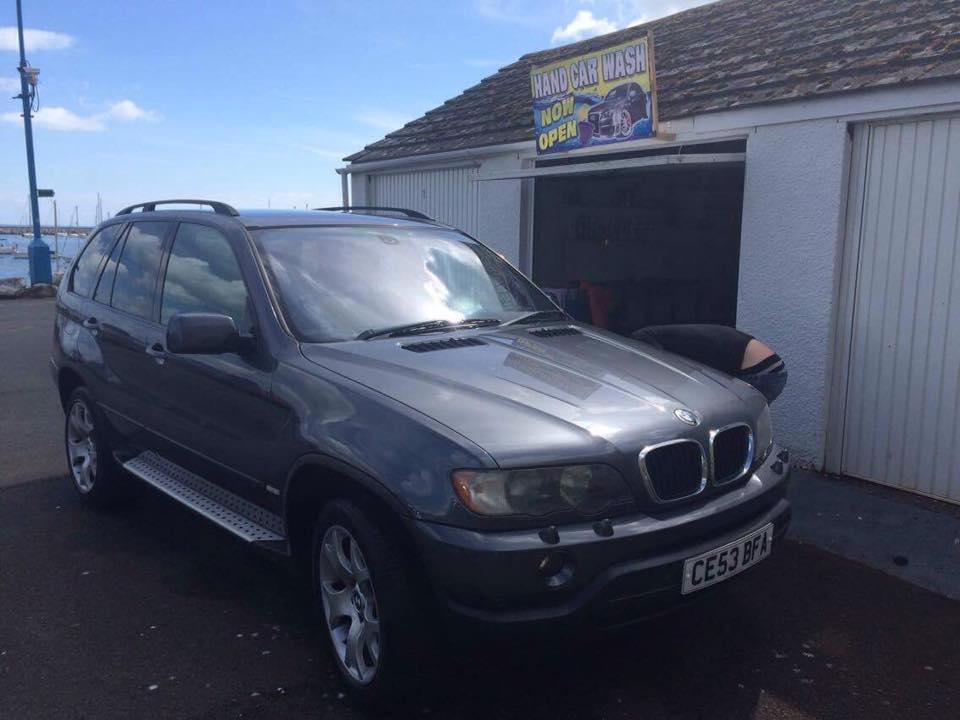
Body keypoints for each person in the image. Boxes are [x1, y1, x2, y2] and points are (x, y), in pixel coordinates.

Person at [631, 324, 787, 404]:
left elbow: (662, 375)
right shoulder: (672, 337)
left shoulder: (644, 339)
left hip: (760, 373)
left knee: (729, 419)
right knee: (749, 422)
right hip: (773, 368)